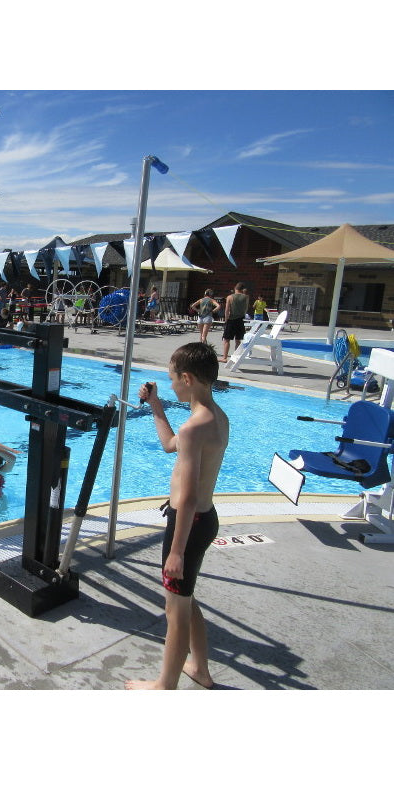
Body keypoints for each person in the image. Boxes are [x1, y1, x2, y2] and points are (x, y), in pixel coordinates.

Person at [124, 343, 229, 690]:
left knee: (174, 609)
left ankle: (164, 686)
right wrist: (155, 406)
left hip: (188, 525)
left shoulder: (194, 428)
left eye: (172, 380)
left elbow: (186, 496)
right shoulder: (215, 417)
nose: (170, 387)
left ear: (187, 378)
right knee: (185, 599)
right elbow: (171, 443)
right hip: (205, 518)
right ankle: (199, 667)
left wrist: (176, 551)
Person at [220, 282, 249, 362]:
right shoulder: (246, 297)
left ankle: (224, 357)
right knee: (238, 340)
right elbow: (246, 309)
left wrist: (226, 320)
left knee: (226, 339)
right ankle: (236, 357)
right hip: (240, 320)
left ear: (235, 288)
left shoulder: (229, 297)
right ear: (242, 289)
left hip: (231, 320)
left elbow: (227, 310)